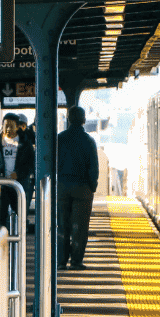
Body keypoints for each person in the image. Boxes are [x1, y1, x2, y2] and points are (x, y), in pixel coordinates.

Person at [57, 106, 98, 270]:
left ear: (68, 119)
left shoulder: (60, 138)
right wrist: (92, 187)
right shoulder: (88, 140)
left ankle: (61, 262)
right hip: (82, 188)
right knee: (79, 227)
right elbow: (93, 167)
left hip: (62, 187)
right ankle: (76, 261)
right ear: (84, 120)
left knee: (62, 225)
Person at [0, 112, 34, 227]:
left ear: (17, 126)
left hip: (19, 185)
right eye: (6, 125)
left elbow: (31, 164)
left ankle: (20, 241)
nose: (8, 129)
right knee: (0, 216)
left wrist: (19, 173)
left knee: (21, 215)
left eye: (11, 125)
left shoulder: (25, 142)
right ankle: (5, 241)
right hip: (1, 185)